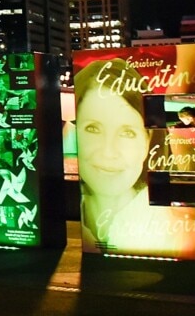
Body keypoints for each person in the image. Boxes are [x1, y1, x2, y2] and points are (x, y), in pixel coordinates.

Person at [73, 59, 156, 250]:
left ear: (147, 142)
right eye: (93, 129)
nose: (108, 152)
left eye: (127, 133)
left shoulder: (180, 231)